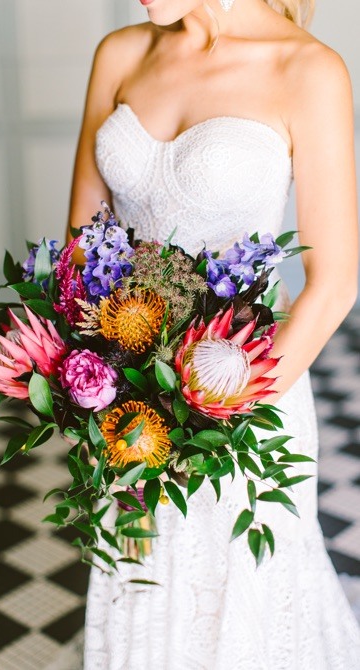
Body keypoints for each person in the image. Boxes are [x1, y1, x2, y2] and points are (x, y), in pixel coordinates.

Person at [67, 0, 360, 667]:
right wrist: (95, 383)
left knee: (236, 584)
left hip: (246, 388)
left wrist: (215, 409)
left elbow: (335, 279)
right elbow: (83, 248)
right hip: (126, 379)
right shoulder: (120, 54)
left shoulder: (308, 70)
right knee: (143, 566)